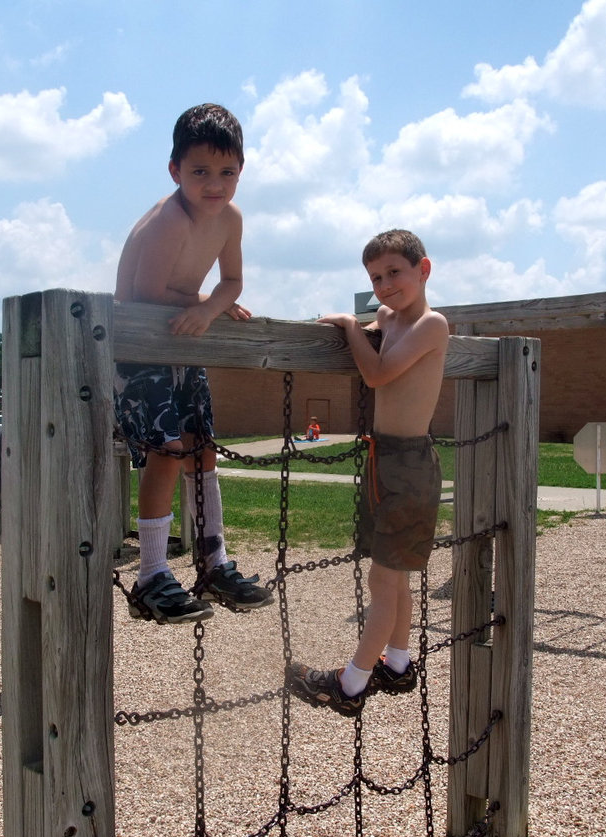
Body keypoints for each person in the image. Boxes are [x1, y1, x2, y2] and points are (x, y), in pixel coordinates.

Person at [113, 102, 272, 625]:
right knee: (167, 452)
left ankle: (212, 559)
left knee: (202, 451)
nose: (214, 184)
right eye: (200, 171)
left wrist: (213, 306)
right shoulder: (168, 221)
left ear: (241, 171)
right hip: (145, 348)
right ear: (175, 170)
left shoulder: (230, 219)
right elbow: (147, 293)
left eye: (227, 172)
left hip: (183, 341)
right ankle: (152, 572)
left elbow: (232, 281)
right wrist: (205, 307)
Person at [286, 229, 450, 716]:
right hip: (384, 459)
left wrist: (346, 324)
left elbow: (378, 374)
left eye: (394, 273)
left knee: (383, 580)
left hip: (411, 462)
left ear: (423, 269)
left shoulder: (433, 324)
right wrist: (365, 323)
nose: (384, 285)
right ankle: (396, 664)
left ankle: (350, 685)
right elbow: (380, 333)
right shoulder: (386, 317)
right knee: (393, 576)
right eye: (375, 277)